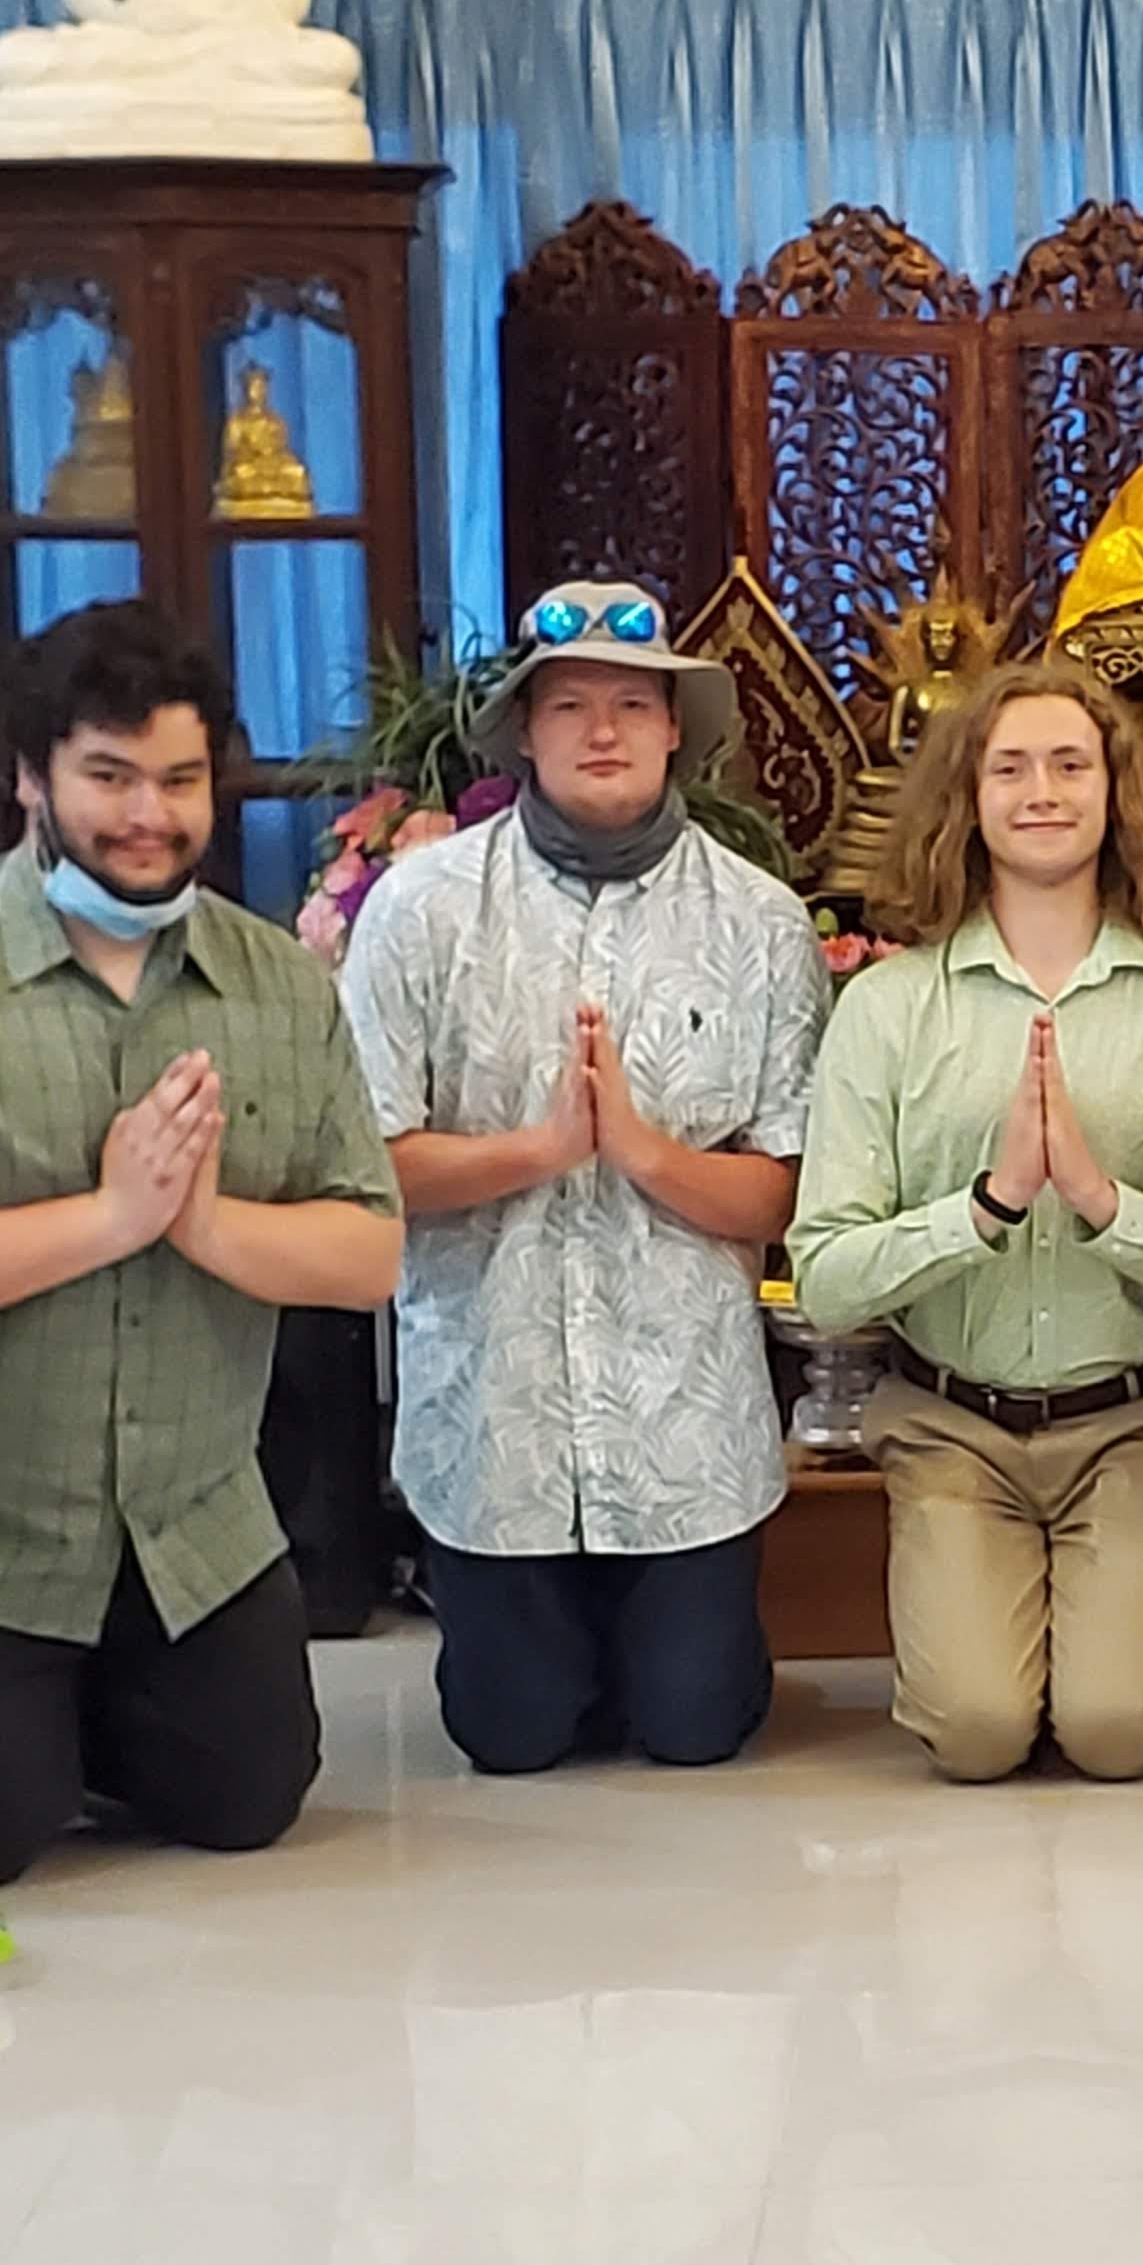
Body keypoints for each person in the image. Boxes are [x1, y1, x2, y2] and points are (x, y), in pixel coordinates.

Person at [0, 600, 401, 1889]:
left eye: (181, 780)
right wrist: (109, 1221)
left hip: (192, 1528)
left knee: (246, 1802)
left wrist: (200, 1224)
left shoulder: (280, 983)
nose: (150, 815)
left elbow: (368, 1254)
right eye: (108, 777)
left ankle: (83, 1715)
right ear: (29, 779)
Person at [341, 582, 825, 1775]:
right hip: (493, 1427)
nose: (601, 730)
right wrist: (540, 1151)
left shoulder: (761, 925)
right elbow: (369, 1168)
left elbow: (777, 1197)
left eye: (630, 703)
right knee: (510, 1740)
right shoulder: (419, 911)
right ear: (523, 733)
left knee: (694, 1730)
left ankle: (667, 1648)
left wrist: (643, 1153)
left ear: (676, 730)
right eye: (569, 705)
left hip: (684, 1430)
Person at [790, 664, 1143, 1781]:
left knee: (1115, 1738)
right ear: (968, 798)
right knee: (979, 1736)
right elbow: (826, 1279)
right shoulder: (890, 1005)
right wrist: (983, 1209)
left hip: (1135, 1421)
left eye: (1070, 765)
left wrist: (1100, 1202)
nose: (1042, 791)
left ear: (1117, 791)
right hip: (955, 1427)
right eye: (1010, 768)